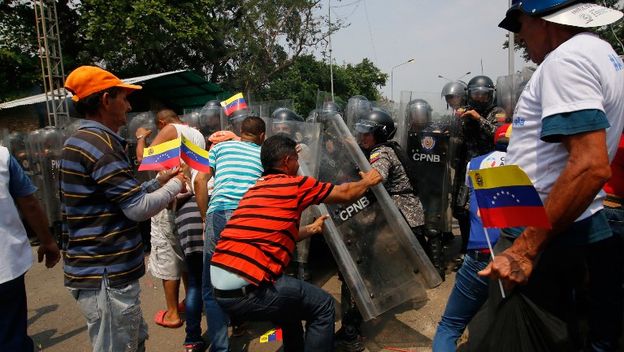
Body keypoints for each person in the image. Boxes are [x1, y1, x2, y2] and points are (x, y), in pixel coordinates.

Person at [480, 2, 624, 350]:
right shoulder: (603, 53)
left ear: (541, 19)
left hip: (542, 233)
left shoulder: (567, 61)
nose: (519, 36)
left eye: (519, 24)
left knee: (513, 337)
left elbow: (590, 165)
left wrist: (525, 250)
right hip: (566, 225)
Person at [210, 134, 382, 352]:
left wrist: (311, 229)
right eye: (296, 159)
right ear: (286, 161)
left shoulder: (255, 190)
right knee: (323, 306)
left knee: (290, 311)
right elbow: (345, 193)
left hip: (221, 291)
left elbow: (273, 234)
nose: (299, 164)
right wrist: (368, 181)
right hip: (250, 289)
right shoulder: (295, 185)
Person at [61, 65, 185, 352]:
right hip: (105, 275)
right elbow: (137, 209)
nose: (129, 106)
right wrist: (176, 185)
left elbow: (120, 198)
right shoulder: (100, 144)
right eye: (124, 98)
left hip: (103, 273)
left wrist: (159, 182)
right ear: (106, 100)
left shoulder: (89, 141)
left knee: (131, 342)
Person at [432, 123, 511, 351]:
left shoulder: (475, 164)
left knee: (450, 325)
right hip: (515, 254)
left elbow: (473, 197)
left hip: (480, 251)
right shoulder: (533, 164)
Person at [193, 115, 266, 352]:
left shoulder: (220, 148)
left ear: (240, 131)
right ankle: (246, 321)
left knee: (210, 286)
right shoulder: (263, 154)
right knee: (246, 276)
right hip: (248, 217)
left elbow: (200, 181)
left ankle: (221, 347)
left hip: (219, 215)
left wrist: (205, 216)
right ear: (261, 136)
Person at [136, 109, 207, 348]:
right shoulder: (196, 134)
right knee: (189, 258)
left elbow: (144, 159)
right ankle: (190, 302)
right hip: (192, 202)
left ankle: (172, 313)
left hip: (172, 200)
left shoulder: (170, 130)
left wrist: (141, 138)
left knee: (168, 259)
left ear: (162, 122)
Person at [0, 146, 60, 352]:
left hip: (7, 265)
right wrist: (48, 241)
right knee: (11, 336)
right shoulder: (2, 156)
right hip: (6, 266)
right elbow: (29, 203)